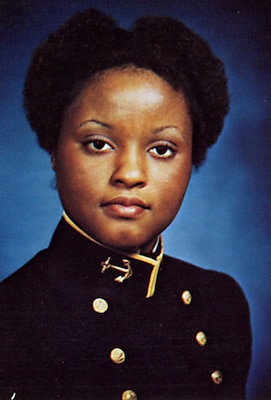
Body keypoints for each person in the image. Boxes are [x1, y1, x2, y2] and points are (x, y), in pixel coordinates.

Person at [0, 8, 252, 400]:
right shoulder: (11, 316)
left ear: (193, 159)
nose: (130, 173)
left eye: (162, 149)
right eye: (98, 144)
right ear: (53, 148)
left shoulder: (220, 303)